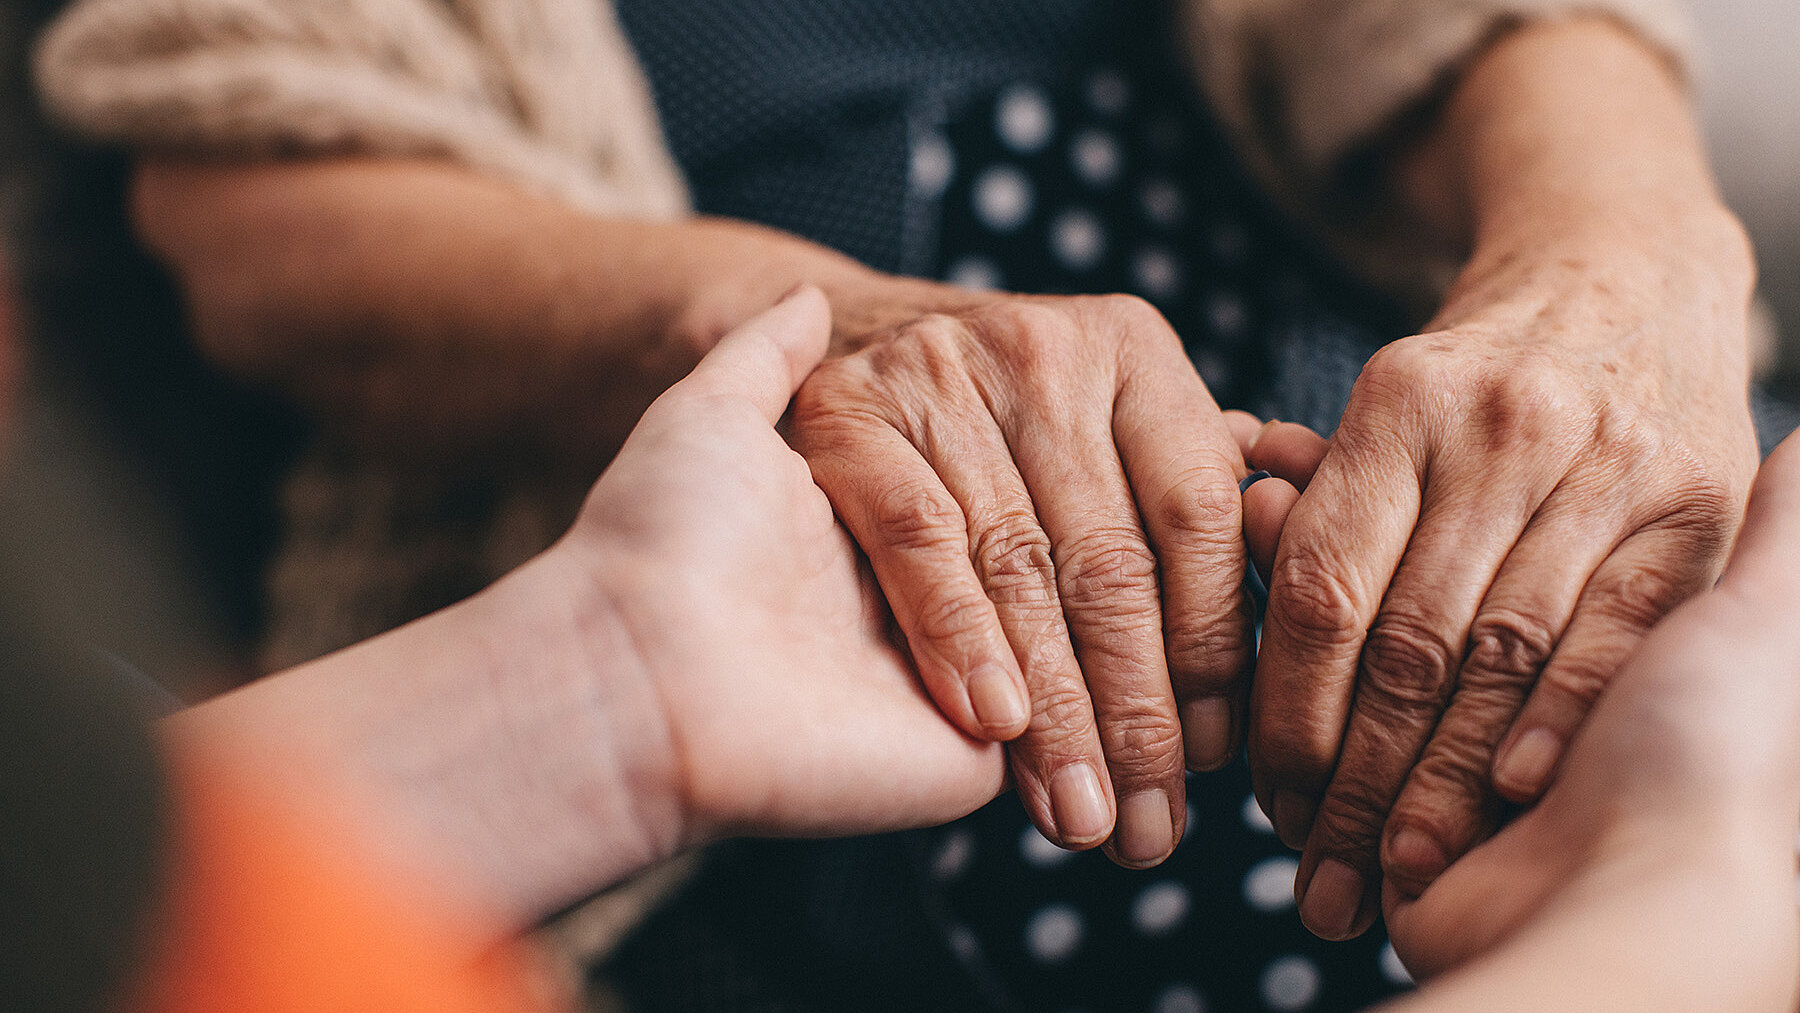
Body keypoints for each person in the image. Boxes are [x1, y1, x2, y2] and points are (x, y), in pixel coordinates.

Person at [27, 0, 1772, 1006]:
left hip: (1596, 653)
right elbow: (261, 177)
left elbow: (1536, 55)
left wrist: (1636, 258)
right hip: (825, 772)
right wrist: (821, 341)